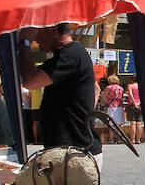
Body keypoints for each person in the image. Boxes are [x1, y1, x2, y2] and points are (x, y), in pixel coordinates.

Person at [18, 24, 102, 163]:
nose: (36, 39)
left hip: (74, 152)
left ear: (53, 30)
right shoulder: (71, 54)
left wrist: (24, 42)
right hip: (71, 150)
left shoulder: (70, 55)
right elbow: (95, 89)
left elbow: (30, 81)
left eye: (38, 33)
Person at [99, 75, 125, 143]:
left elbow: (102, 96)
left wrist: (104, 100)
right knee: (119, 124)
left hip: (111, 106)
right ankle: (120, 139)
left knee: (111, 123)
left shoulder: (109, 87)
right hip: (119, 106)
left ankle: (111, 139)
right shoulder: (121, 88)